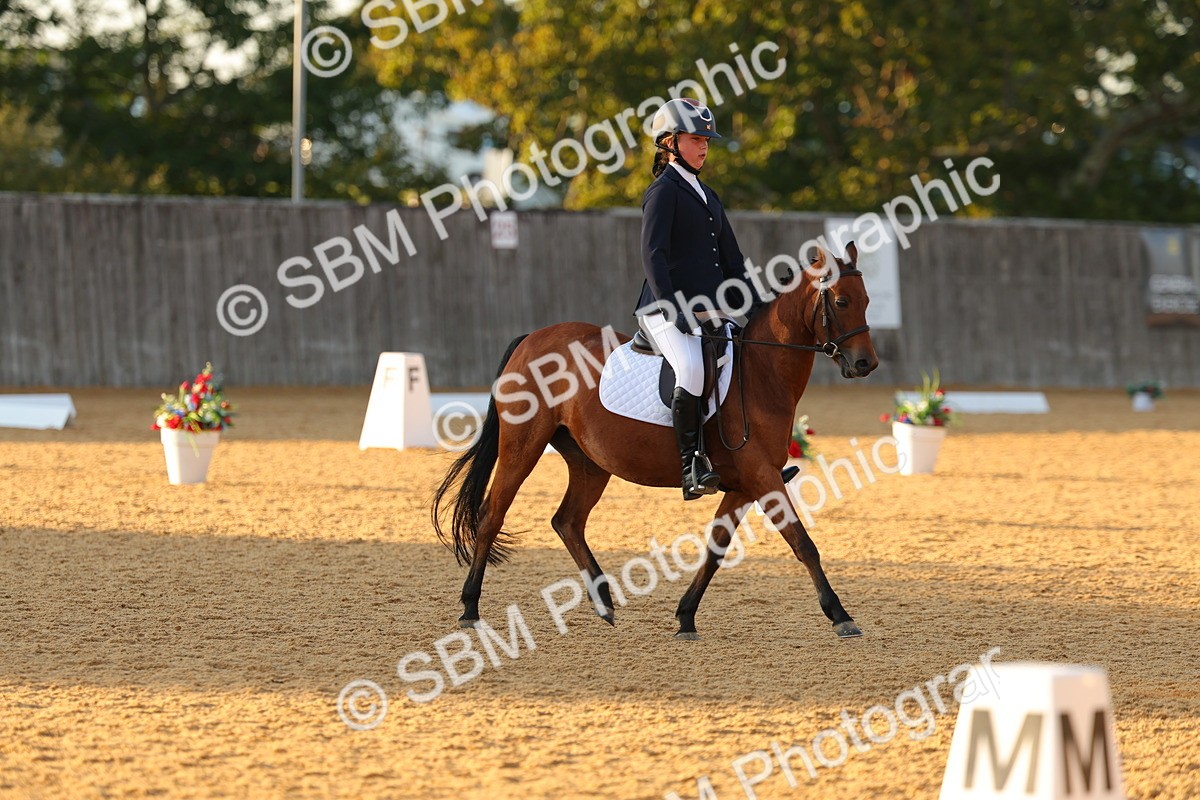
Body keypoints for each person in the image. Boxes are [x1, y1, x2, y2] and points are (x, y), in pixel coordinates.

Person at [633, 98, 761, 501]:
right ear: (670, 143)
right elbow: (653, 256)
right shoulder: (663, 192)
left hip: (711, 309)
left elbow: (732, 260)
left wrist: (757, 307)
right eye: (695, 139)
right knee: (691, 370)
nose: (704, 146)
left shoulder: (707, 194)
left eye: (706, 140)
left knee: (744, 364)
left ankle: (750, 460)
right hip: (664, 309)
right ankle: (690, 466)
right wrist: (674, 309)